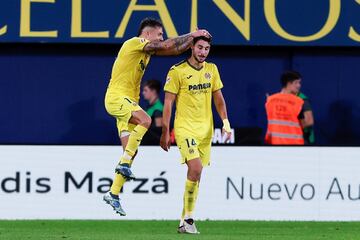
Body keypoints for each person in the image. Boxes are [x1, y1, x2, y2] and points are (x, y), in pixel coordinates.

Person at [103, 17, 212, 216]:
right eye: (159, 34)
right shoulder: (135, 43)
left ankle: (113, 193)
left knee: (130, 151)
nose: (162, 38)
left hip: (128, 103)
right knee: (146, 120)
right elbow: (167, 44)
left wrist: (192, 39)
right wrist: (193, 35)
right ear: (148, 33)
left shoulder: (148, 51)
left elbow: (174, 49)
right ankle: (124, 165)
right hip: (116, 98)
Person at [160, 36, 231, 234]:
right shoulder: (177, 71)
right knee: (196, 168)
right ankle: (189, 219)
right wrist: (166, 131)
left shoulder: (212, 70)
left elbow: (219, 100)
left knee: (196, 175)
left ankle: (184, 221)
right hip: (185, 128)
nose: (203, 52)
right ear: (191, 47)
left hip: (205, 130)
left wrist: (225, 123)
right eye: (200, 47)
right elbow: (168, 103)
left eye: (206, 49)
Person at [265, 71, 314, 145]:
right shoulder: (298, 101)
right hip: (293, 143)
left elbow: (309, 121)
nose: (299, 85)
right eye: (296, 82)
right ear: (289, 83)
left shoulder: (270, 100)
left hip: (276, 142)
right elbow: (308, 121)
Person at [141, 79, 163, 144]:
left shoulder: (158, 109)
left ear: (153, 91)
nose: (143, 93)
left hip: (153, 147)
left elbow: (159, 133)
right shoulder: (149, 108)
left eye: (145, 90)